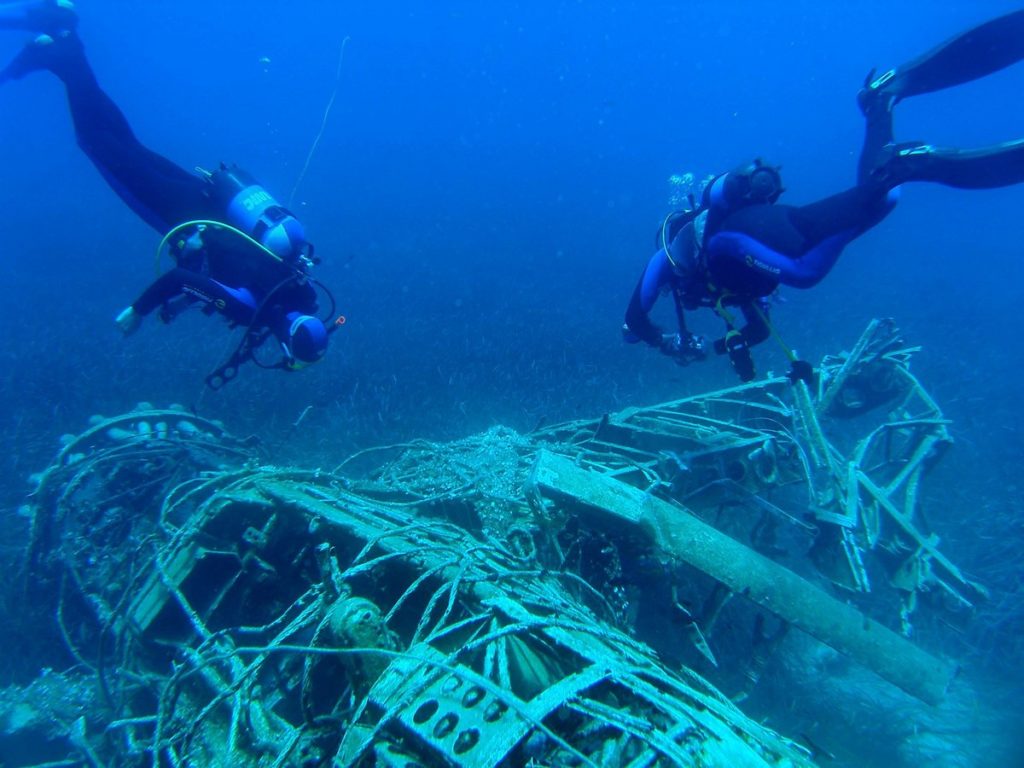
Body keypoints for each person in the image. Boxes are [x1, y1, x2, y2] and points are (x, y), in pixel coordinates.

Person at [623, 9, 1024, 383]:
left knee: (804, 271)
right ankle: (881, 107)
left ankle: (897, 166)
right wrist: (723, 344)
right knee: (883, 201)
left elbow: (634, 321)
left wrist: (665, 342)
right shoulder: (724, 284)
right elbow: (760, 328)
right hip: (764, 233)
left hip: (740, 238)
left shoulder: (671, 258)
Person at [1, 0, 337, 387]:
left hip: (209, 199)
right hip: (180, 214)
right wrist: (137, 310)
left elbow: (232, 272)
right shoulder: (250, 310)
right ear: (286, 349)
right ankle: (64, 44)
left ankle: (62, 49)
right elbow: (180, 279)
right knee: (96, 143)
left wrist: (184, 300)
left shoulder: (304, 294)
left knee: (126, 145)